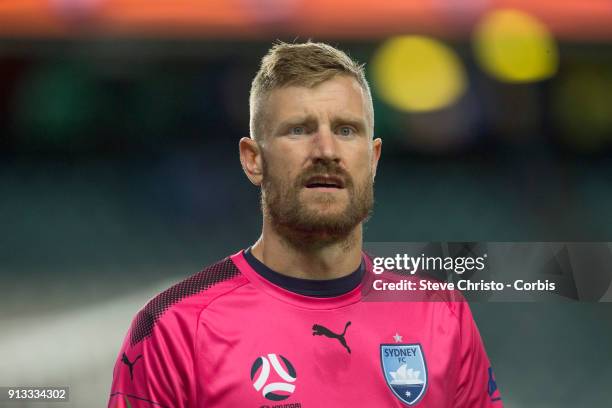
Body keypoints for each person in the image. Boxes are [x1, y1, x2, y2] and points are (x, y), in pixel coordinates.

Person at [108, 41, 503, 407]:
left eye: (346, 130)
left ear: (374, 158)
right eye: (299, 130)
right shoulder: (175, 328)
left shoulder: (440, 314)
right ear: (252, 159)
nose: (326, 151)